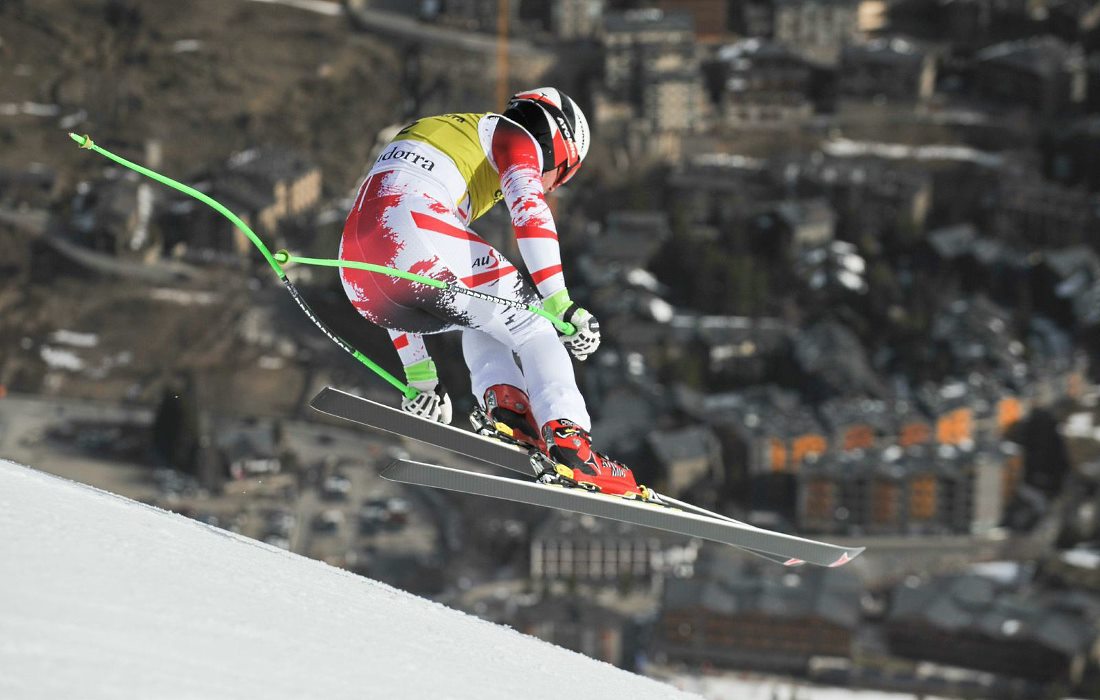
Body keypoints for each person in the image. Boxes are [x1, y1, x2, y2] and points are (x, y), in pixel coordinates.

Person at [339, 88, 642, 497]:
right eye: (562, 173)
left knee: (486, 310)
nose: (551, 185)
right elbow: (529, 210)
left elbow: (389, 259)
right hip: (416, 231)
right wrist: (560, 303)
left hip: (355, 270)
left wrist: (422, 379)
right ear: (558, 144)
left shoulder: (452, 135)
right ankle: (573, 445)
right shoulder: (514, 135)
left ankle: (509, 406)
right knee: (534, 325)